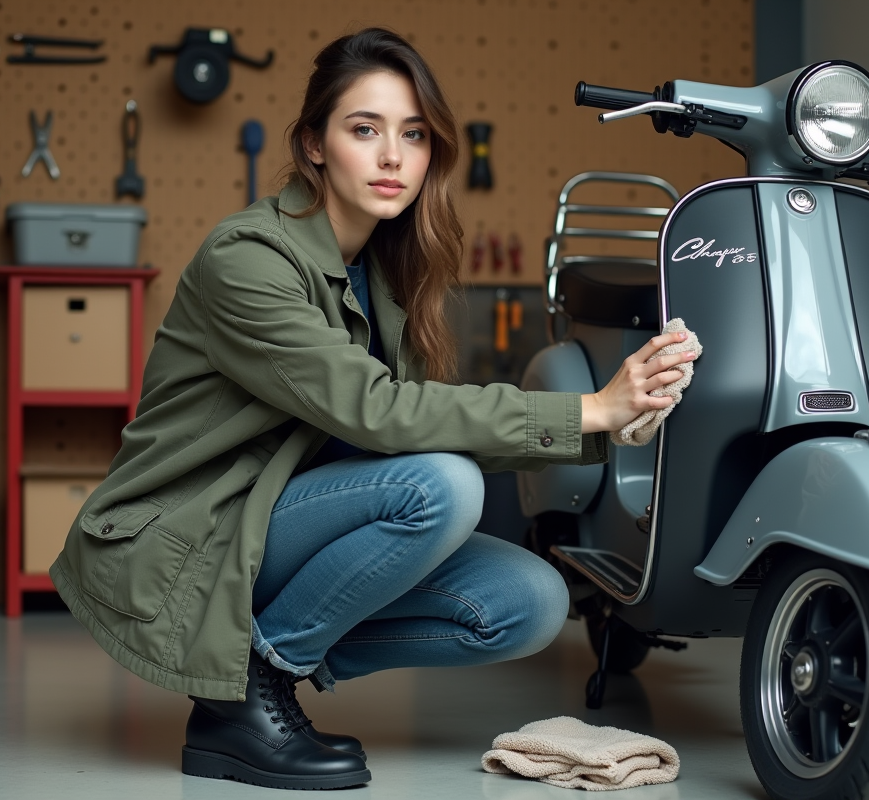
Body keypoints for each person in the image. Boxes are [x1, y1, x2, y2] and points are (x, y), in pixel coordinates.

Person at [49, 27, 695, 792]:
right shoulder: (247, 258)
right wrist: (587, 407)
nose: (393, 156)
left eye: (413, 135)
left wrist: (611, 420)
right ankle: (246, 695)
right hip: (201, 533)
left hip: (279, 525)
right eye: (365, 130)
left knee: (531, 601)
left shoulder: (385, 275)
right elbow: (381, 414)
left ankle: (257, 663)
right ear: (313, 146)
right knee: (441, 488)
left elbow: (427, 419)